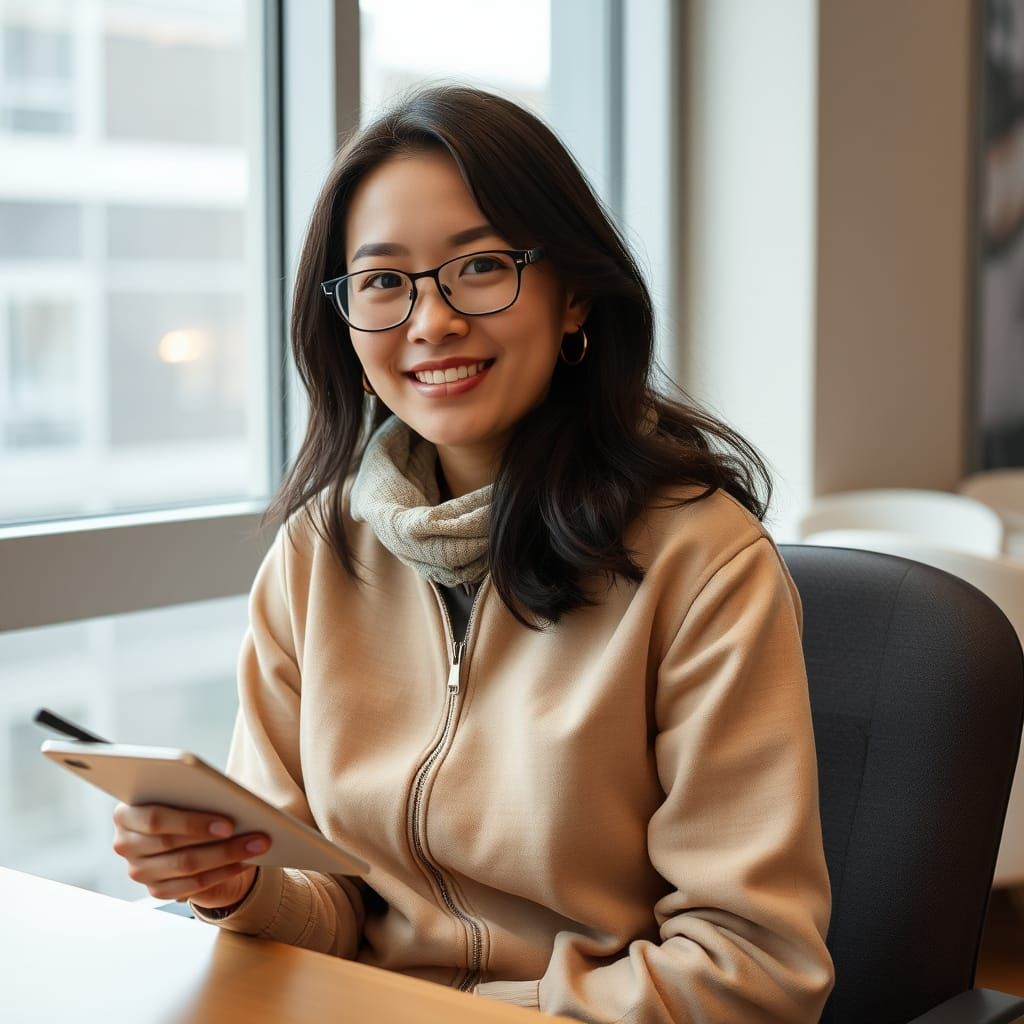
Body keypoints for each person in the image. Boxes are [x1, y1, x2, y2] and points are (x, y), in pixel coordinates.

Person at [111, 85, 834, 1023]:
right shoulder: (316, 554)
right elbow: (330, 905)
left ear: (575, 296)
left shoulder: (702, 565)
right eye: (383, 281)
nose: (431, 321)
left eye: (482, 266)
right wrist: (236, 883)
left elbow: (752, 971)